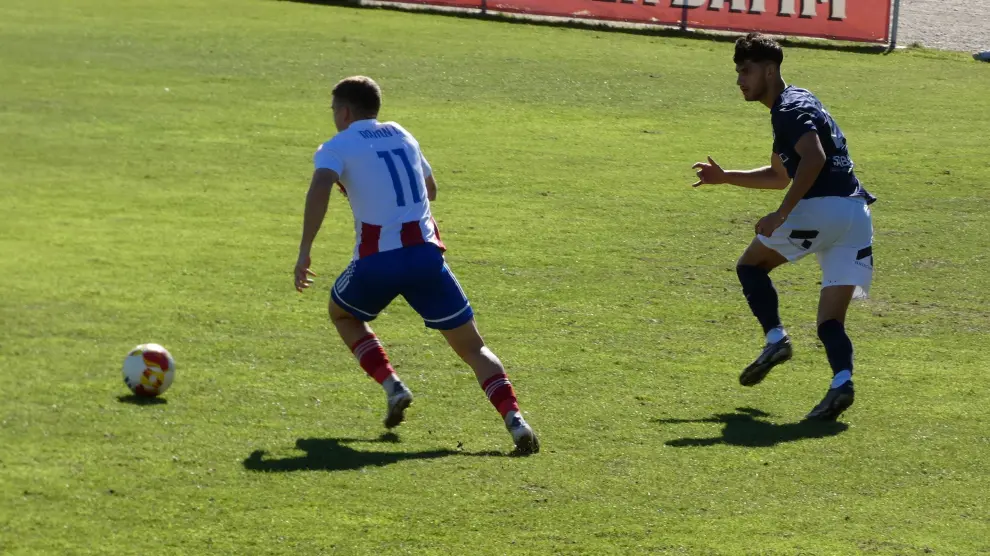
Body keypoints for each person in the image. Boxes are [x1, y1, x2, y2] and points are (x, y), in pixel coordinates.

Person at [294, 76, 539, 454]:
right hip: (426, 258)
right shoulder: (402, 134)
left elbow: (319, 187)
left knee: (342, 315)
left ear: (343, 111)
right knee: (474, 348)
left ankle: (393, 385)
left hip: (377, 261)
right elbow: (432, 190)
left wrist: (305, 248)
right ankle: (516, 421)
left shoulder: (335, 146)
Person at [691, 34, 875, 421]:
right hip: (855, 217)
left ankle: (776, 339)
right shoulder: (799, 101)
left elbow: (814, 158)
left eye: (747, 70)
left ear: (769, 70)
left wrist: (782, 214)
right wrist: (726, 177)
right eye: (738, 71)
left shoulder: (788, 111)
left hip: (820, 210)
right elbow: (779, 175)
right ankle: (842, 382)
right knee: (829, 321)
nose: (740, 79)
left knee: (750, 266)